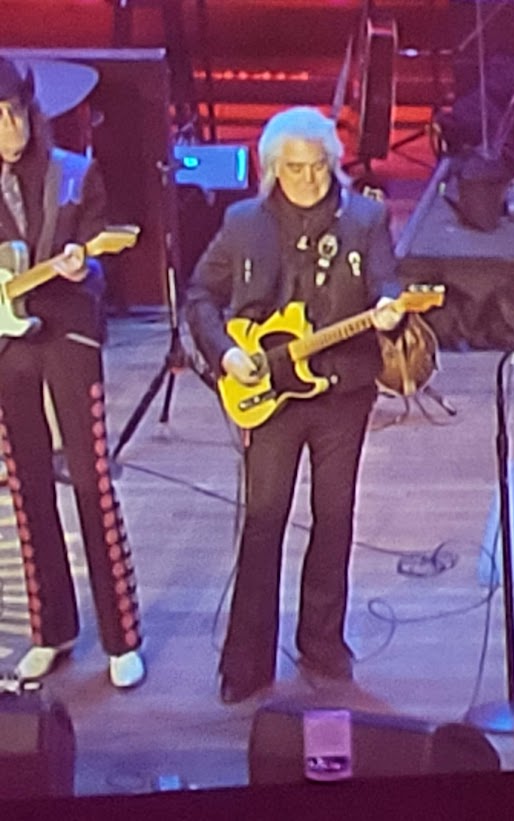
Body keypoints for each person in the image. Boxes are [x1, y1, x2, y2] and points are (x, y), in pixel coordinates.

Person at [186, 105, 403, 703]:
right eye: (295, 168)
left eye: (318, 166)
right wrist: (226, 352)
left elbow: (387, 281)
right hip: (268, 396)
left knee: (334, 519)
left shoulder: (366, 218)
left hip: (342, 393)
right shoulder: (243, 223)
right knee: (264, 520)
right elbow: (201, 294)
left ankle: (323, 644)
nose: (308, 179)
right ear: (272, 168)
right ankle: (247, 660)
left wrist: (390, 309)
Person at [0, 56, 145, 688]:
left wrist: (83, 265)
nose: (9, 128)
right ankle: (51, 630)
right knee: (27, 486)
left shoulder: (73, 174)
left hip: (68, 332)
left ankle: (122, 638)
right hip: (8, 344)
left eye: (14, 114)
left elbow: (99, 258)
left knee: (91, 481)